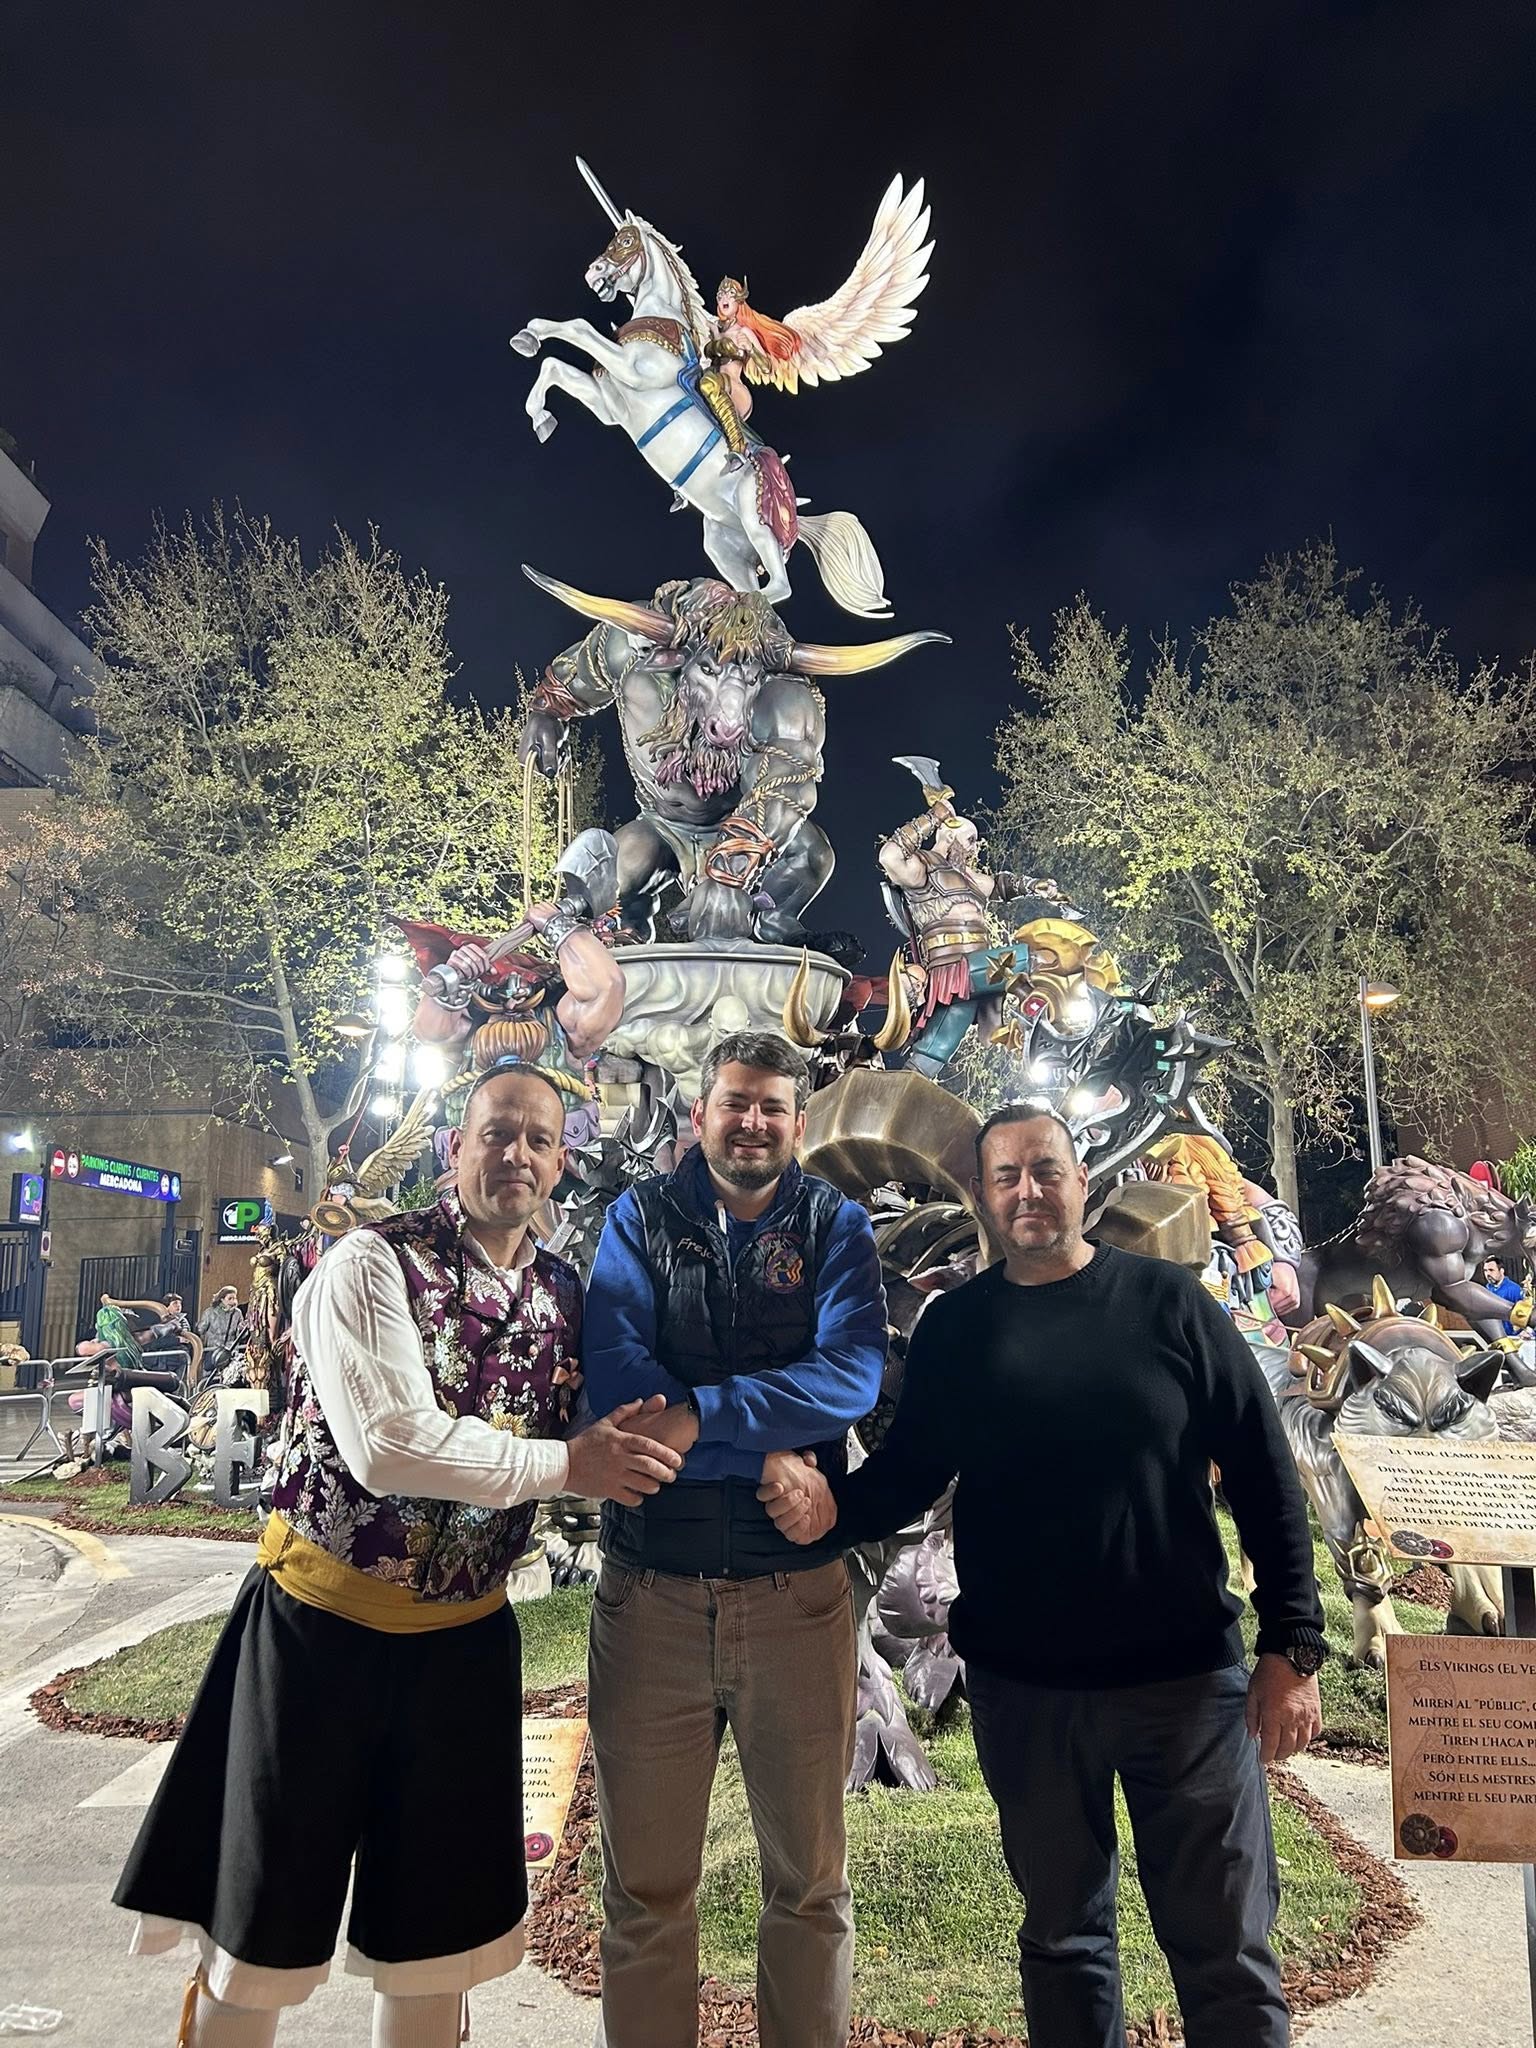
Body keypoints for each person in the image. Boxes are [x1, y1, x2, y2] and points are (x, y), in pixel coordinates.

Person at [113, 1063, 686, 2048]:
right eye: (497, 1132)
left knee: (438, 1944)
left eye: (539, 1140)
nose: (517, 1154)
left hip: (463, 1642)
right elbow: (387, 1445)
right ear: (454, 1148)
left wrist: (741, 1407)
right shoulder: (372, 1263)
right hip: (317, 1633)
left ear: (561, 1163)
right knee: (260, 1930)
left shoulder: (565, 1293)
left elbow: (628, 1413)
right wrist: (568, 1464)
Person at [767, 1102, 1327, 2048]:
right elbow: (908, 1473)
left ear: (1081, 1183)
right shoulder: (957, 1329)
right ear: (983, 1196)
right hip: (1027, 1694)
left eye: (1046, 1170)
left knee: (1227, 1950)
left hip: (1184, 1685)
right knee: (1064, 1942)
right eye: (1007, 1177)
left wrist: (1293, 1645)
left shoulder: (1170, 1304)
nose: (1028, 1191)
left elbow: (1266, 1474)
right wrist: (829, 1510)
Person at [583, 1029, 888, 2048]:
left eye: (771, 1106)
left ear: (798, 1123)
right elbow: (620, 1385)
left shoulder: (835, 1225)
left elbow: (850, 1373)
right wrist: (761, 1458)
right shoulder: (638, 1217)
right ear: (699, 1114)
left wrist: (704, 1416)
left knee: (809, 1886)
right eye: (735, 1102)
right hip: (650, 1599)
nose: (752, 1121)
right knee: (643, 1891)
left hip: (795, 1598)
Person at [195, 1286, 246, 1377]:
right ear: (222, 1299)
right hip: (213, 1351)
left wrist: (242, 1329)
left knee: (230, 1378)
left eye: (235, 1298)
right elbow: (200, 1330)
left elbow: (240, 1336)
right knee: (210, 1378)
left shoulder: (237, 1313)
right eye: (230, 1298)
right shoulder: (210, 1312)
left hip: (231, 1352)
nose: (233, 1301)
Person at [1483, 1255, 1525, 1336]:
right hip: (1493, 1335)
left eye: (1491, 1270)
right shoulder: (1487, 1289)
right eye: (1485, 1270)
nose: (1488, 1274)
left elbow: (1524, 1315)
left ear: (1501, 1271)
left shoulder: (1514, 1289)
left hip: (1512, 1336)